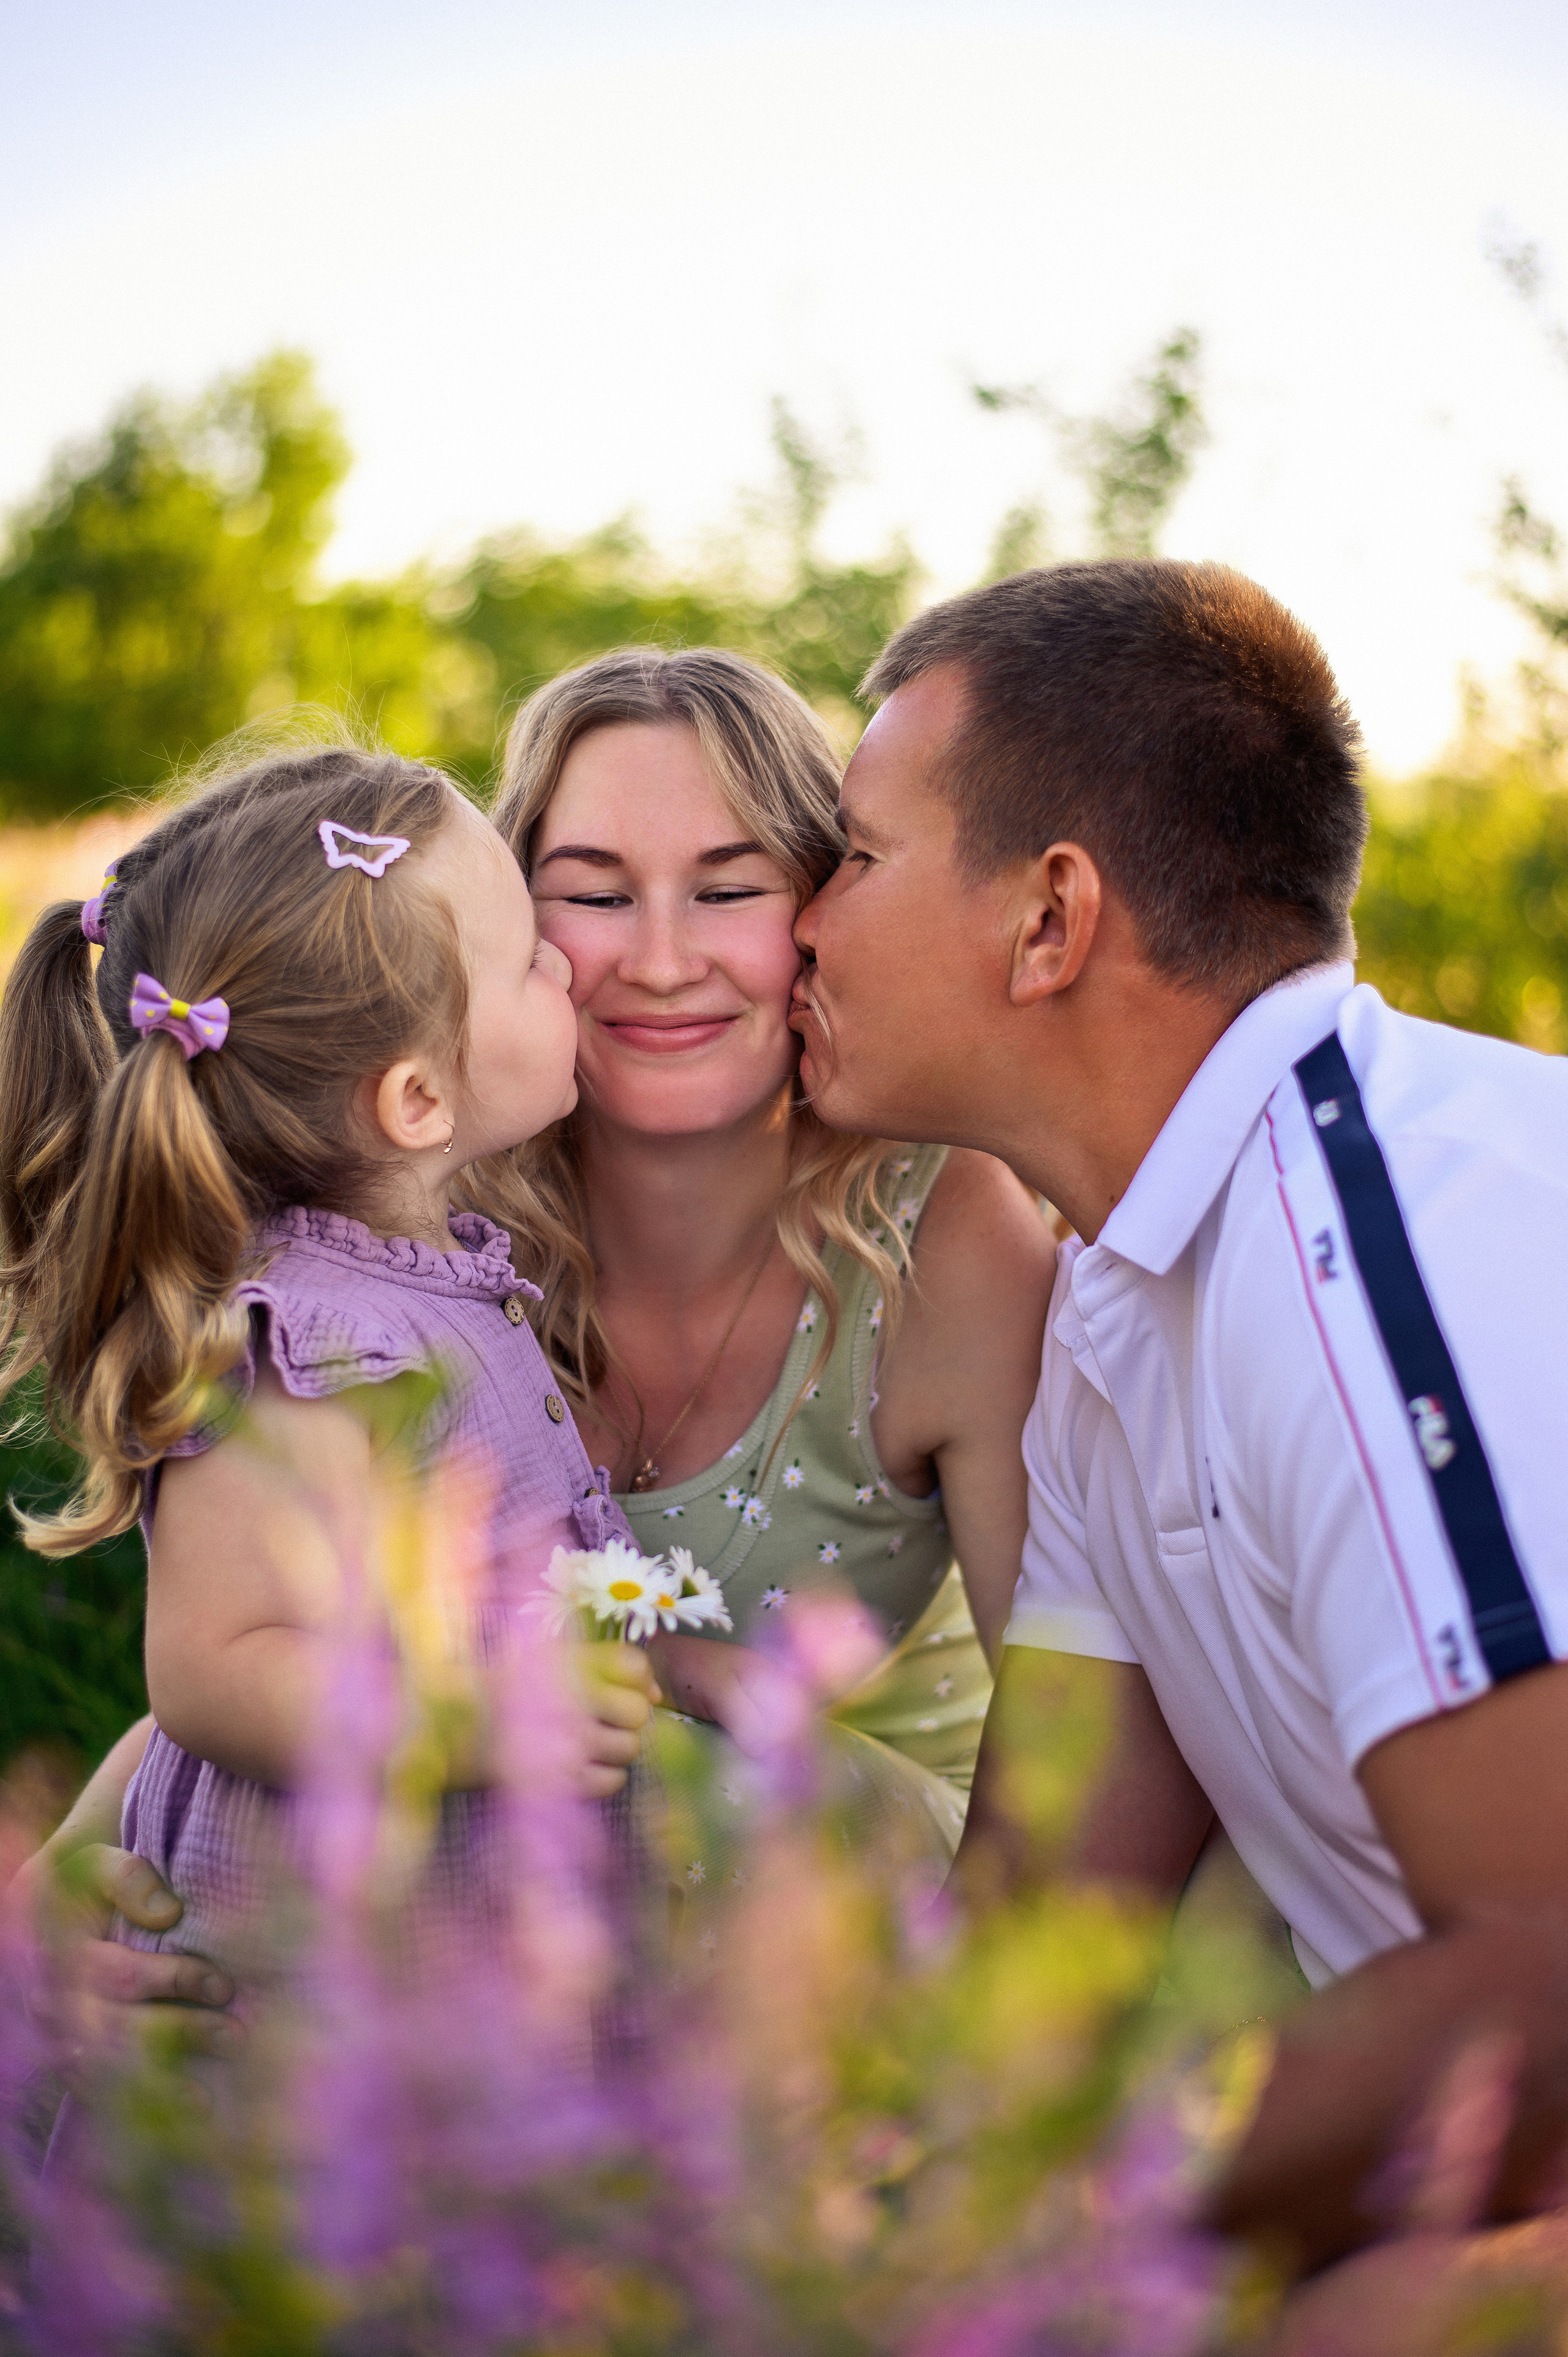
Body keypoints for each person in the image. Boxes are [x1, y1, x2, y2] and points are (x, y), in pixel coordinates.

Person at [17, 656, 1054, 2020]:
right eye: (591, 892)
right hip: (503, 1974)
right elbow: (255, 1638)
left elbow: (1075, 1758)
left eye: (731, 888)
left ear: (821, 908)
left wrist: (1009, 2078)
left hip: (845, 1926)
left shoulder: (944, 1232)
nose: (658, 957)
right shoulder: (409, 1231)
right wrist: (52, 1902)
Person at [789, 559, 1568, 2272]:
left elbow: (1545, 1976)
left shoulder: (1382, 1252)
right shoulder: (1118, 1311)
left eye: (851, 856)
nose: (798, 923)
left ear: (1051, 919)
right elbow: (1049, 1921)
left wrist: (1082, 2226)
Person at [0, 741, 658, 1988]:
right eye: (525, 958)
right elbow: (215, 1663)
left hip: (459, 1945)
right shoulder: (307, 1342)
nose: (565, 962)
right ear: (414, 1100)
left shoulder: (428, 1280)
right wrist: (474, 1724)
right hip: (314, 1991)